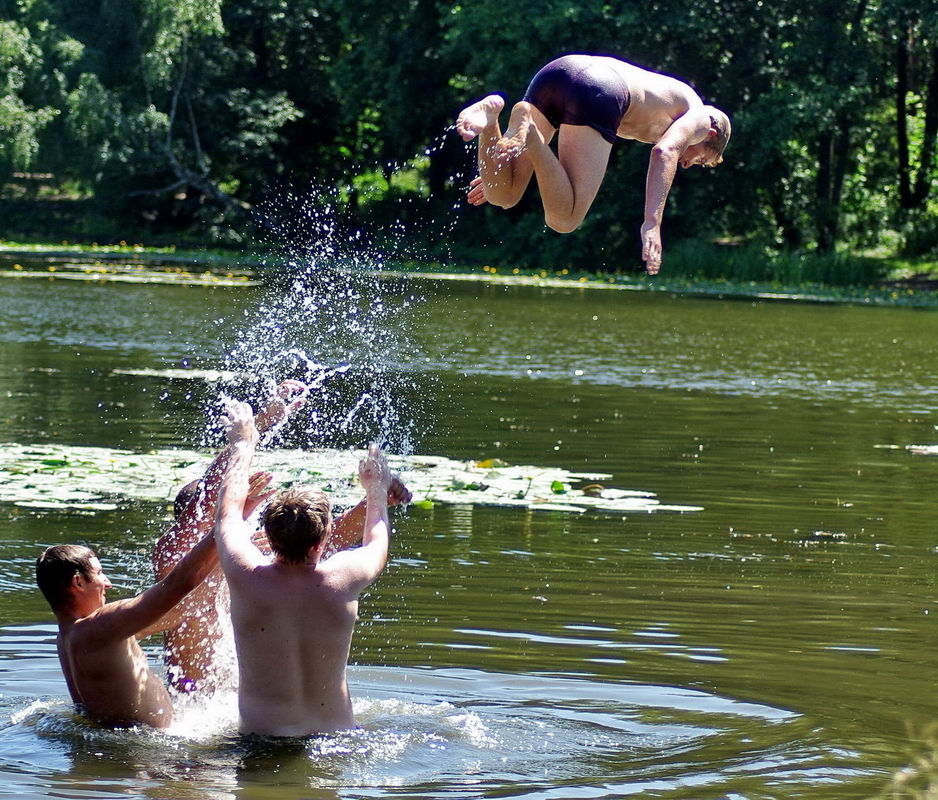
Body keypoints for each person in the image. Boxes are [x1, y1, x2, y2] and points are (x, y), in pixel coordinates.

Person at [153, 380, 411, 695]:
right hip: (192, 706)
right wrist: (255, 428)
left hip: (232, 716)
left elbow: (312, 543)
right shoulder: (175, 566)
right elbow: (207, 503)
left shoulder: (248, 561)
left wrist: (373, 502)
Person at [455, 53, 732, 274]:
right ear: (711, 137)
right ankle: (532, 137)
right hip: (599, 88)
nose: (688, 164)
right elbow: (665, 152)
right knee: (564, 219)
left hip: (558, 71)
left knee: (501, 193)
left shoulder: (675, 99)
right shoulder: (702, 119)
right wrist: (651, 223)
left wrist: (498, 169)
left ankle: (491, 118)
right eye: (701, 160)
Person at [213, 401, 394, 736]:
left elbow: (227, 510)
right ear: (324, 536)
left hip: (261, 741)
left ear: (267, 534)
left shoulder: (244, 573)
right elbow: (377, 538)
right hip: (337, 737)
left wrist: (243, 441)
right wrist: (376, 488)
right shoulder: (346, 576)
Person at [35, 536, 218, 729]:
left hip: (115, 744)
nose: (108, 583)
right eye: (100, 573)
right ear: (79, 582)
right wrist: (221, 530)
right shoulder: (99, 626)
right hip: (150, 751)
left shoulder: (69, 637)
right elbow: (178, 583)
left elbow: (171, 613)